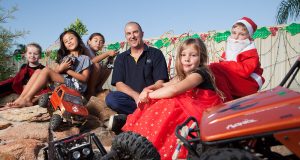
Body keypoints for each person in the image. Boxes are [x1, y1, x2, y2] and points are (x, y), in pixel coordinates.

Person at [120, 38, 223, 159]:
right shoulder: (183, 75)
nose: (187, 59)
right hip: (189, 106)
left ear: (201, 57)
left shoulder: (199, 74)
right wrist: (148, 89)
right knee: (161, 101)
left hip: (201, 110)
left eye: (193, 55)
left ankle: (156, 144)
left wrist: (148, 96)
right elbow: (163, 85)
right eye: (183, 55)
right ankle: (143, 138)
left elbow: (173, 90)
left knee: (169, 103)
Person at [3, 29, 92, 109]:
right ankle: (21, 99)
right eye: (65, 41)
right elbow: (55, 72)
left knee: (45, 70)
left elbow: (84, 79)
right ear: (64, 45)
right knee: (38, 71)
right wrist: (61, 68)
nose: (69, 42)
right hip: (63, 83)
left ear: (78, 38)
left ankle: (27, 99)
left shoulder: (84, 58)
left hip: (76, 86)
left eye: (71, 38)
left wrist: (68, 70)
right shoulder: (65, 58)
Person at [105, 21, 169, 115]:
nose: (132, 36)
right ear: (126, 36)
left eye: (135, 32)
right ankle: (146, 114)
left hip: (151, 97)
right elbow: (119, 84)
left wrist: (146, 94)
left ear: (142, 34)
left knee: (166, 101)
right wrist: (136, 96)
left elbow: (160, 82)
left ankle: (137, 116)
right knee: (111, 99)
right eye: (128, 33)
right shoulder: (121, 58)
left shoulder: (156, 54)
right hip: (131, 100)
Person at [210, 17, 265, 101]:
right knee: (209, 70)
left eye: (241, 34)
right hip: (237, 82)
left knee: (215, 68)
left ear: (249, 37)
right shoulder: (230, 49)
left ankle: (226, 102)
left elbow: (245, 70)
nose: (236, 37)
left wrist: (223, 64)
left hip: (249, 83)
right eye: (234, 33)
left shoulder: (250, 52)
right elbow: (226, 67)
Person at [86, 33, 118, 99]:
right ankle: (90, 91)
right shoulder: (86, 49)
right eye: (96, 41)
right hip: (82, 79)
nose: (98, 43)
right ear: (89, 42)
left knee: (109, 67)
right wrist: (107, 53)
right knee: (96, 66)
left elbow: (105, 67)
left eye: (101, 42)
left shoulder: (95, 53)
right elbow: (91, 62)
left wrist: (110, 59)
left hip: (91, 79)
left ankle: (98, 87)